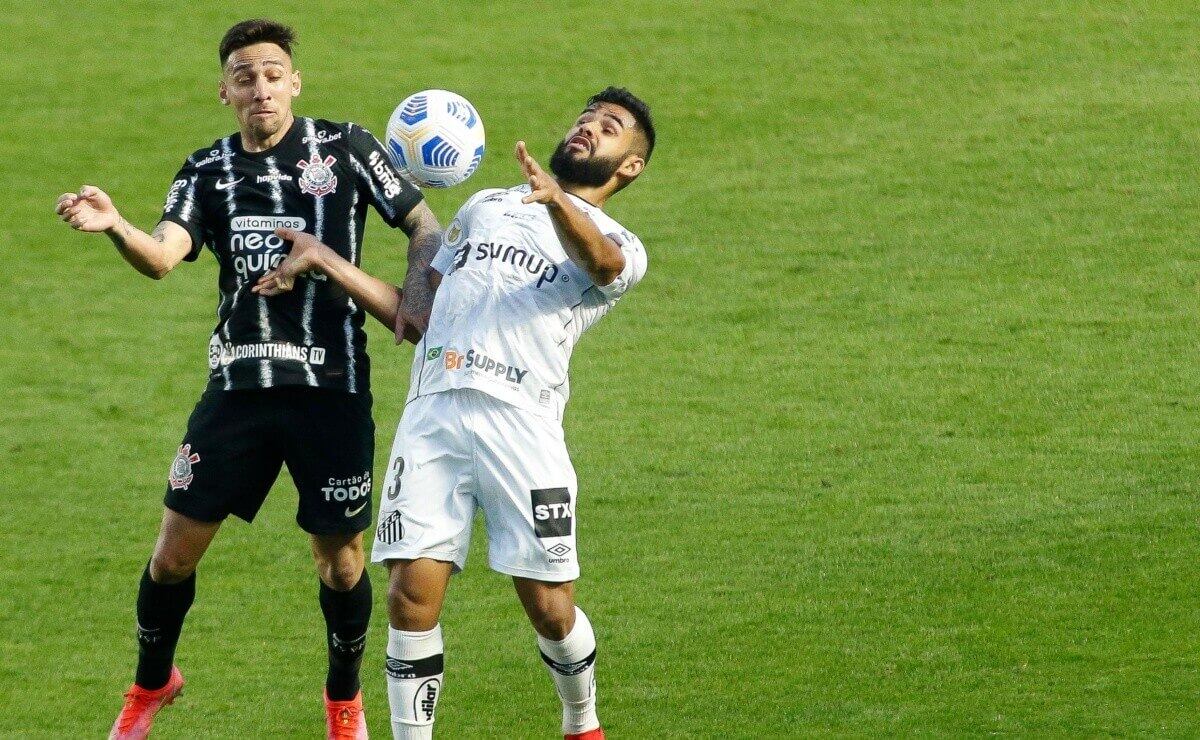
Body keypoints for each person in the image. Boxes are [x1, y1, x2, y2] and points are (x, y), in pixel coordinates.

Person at [54, 18, 440, 740]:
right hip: (236, 390)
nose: (259, 87)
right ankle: (150, 686)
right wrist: (116, 226)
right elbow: (164, 256)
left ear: (293, 81)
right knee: (171, 557)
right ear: (224, 91)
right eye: (243, 77)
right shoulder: (206, 171)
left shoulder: (348, 148)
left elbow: (425, 227)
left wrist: (415, 305)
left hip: (332, 389)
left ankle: (343, 703)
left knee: (342, 564)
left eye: (271, 73)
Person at [254, 86, 654, 739]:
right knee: (410, 595)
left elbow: (601, 265)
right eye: (586, 117)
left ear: (628, 166)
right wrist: (329, 262)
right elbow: (421, 318)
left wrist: (559, 203)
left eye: (608, 128)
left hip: (520, 426)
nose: (588, 128)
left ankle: (582, 722)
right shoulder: (485, 206)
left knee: (550, 607)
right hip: (433, 414)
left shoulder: (619, 242)